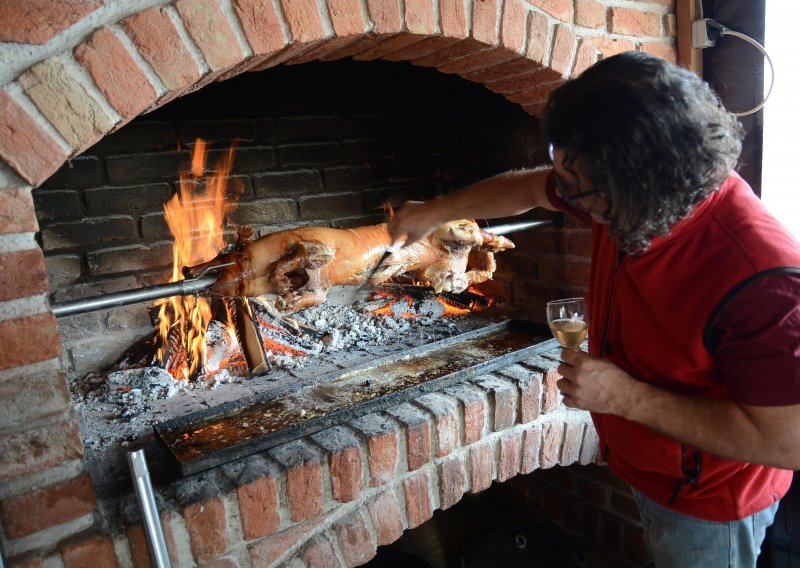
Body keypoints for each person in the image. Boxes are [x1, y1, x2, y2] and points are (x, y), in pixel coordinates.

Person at [387, 51, 800, 566]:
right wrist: (435, 212)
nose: (569, 196)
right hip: (652, 469)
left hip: (707, 502)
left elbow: (786, 441)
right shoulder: (628, 189)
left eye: (582, 193)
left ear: (644, 189)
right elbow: (527, 189)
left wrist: (627, 398)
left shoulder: (763, 278)